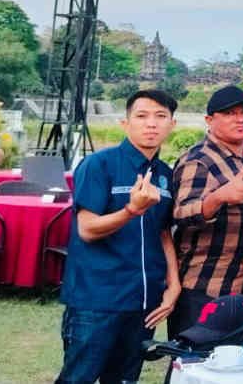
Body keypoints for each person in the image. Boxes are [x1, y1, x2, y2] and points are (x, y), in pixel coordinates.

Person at [57, 90, 181, 384]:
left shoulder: (165, 174)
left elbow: (163, 232)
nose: (151, 124)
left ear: (172, 125)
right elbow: (87, 229)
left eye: (160, 116)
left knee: (125, 379)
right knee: (78, 378)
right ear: (125, 124)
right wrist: (131, 210)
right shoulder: (99, 165)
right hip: (97, 299)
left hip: (143, 302)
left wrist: (174, 285)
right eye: (142, 116)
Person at [170, 85, 243, 338]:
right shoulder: (199, 160)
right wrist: (219, 197)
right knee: (192, 364)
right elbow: (181, 214)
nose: (241, 119)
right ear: (209, 120)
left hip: (242, 285)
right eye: (230, 113)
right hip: (203, 287)